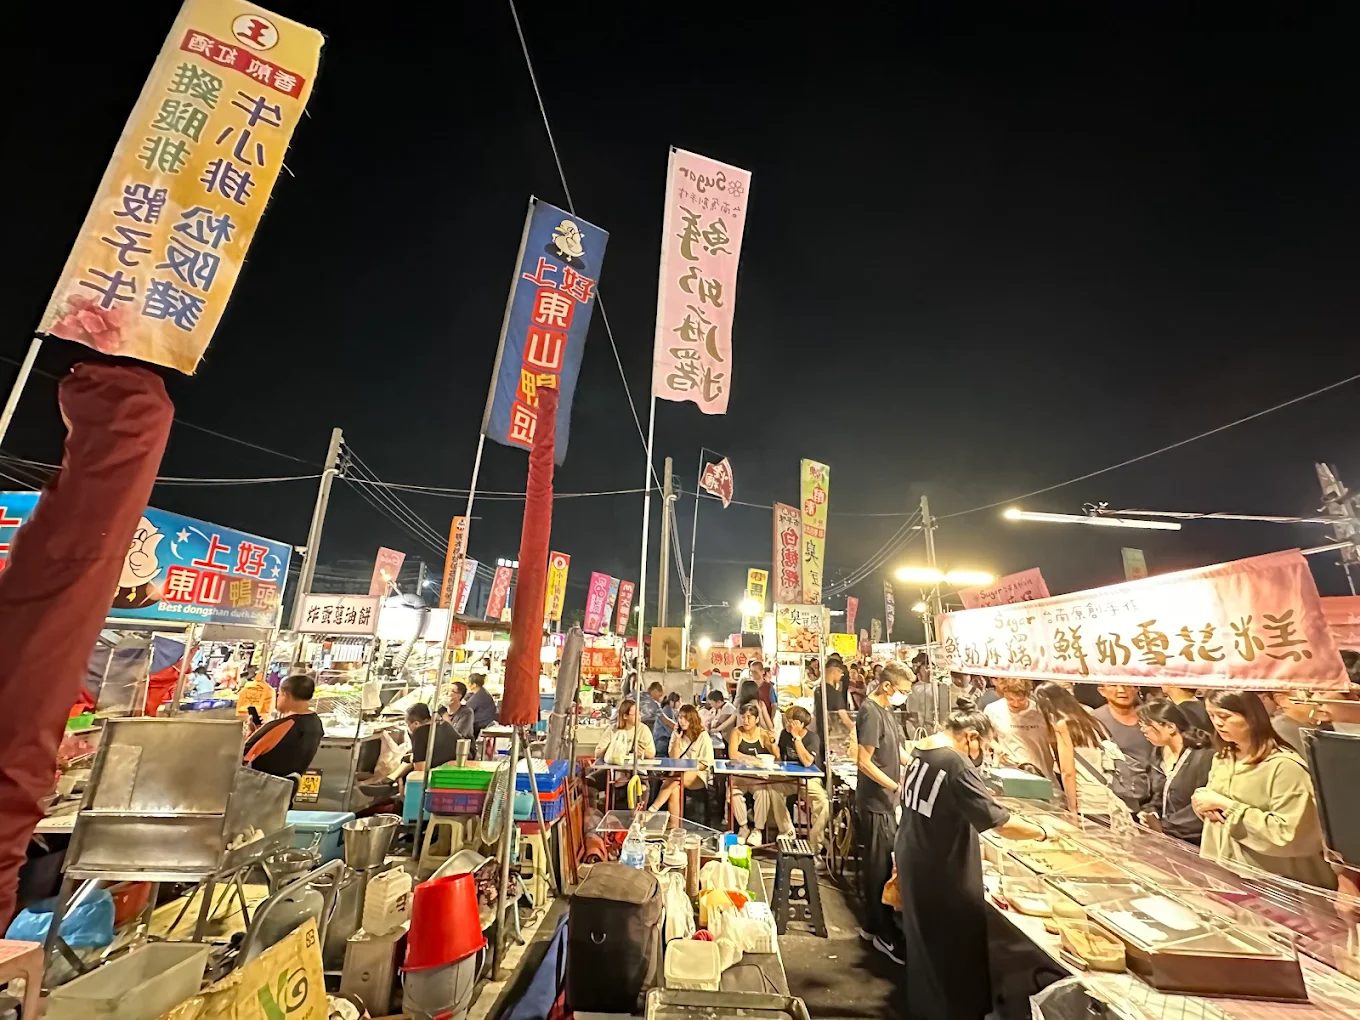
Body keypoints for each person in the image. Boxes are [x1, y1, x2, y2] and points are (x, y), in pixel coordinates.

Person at [896, 701, 1051, 1020]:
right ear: (969, 736)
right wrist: (1043, 833)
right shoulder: (953, 762)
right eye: (983, 744)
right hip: (941, 869)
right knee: (950, 951)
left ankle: (925, 1009)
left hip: (915, 856)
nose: (982, 752)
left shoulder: (922, 750)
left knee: (925, 947)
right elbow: (1000, 822)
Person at [1192, 689, 1335, 888]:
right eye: (1212, 715)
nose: (1217, 723)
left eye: (1225, 716)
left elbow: (1291, 833)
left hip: (1277, 881)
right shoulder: (1224, 757)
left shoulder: (1284, 766)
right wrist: (1203, 803)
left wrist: (1226, 806)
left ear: (1251, 717)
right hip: (1229, 872)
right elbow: (1214, 809)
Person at [854, 662, 912, 963]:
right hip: (876, 803)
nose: (905, 695)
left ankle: (873, 925)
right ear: (887, 686)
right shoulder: (870, 712)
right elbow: (863, 761)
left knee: (883, 864)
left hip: (887, 801)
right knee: (878, 868)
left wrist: (915, 764)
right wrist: (896, 786)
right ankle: (880, 933)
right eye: (903, 690)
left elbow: (896, 751)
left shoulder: (887, 711)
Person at [1033, 682, 1125, 817]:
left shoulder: (1063, 725)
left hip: (1088, 802)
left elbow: (1067, 772)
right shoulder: (1092, 721)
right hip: (1110, 798)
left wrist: (1072, 808)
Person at [1135, 699, 1214, 845]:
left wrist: (1166, 826)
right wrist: (1150, 812)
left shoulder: (1203, 756)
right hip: (1166, 837)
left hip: (1195, 841)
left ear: (1171, 727)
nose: (1143, 730)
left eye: (1147, 724)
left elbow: (1201, 805)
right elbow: (1158, 794)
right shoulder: (1158, 753)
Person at [243, 674, 324, 781]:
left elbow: (242, 755)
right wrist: (257, 731)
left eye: (279, 694)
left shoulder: (283, 725)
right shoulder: (315, 722)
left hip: (262, 790)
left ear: (286, 694)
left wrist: (250, 733)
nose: (277, 698)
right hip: (288, 790)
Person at [1093, 683, 1157, 813]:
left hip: (1156, 797)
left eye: (1128, 685)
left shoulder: (1153, 716)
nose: (1121, 690)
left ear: (1137, 687)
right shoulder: (1095, 720)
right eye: (1113, 685)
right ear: (1101, 690)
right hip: (1118, 800)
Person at [648, 703, 715, 824]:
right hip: (677, 775)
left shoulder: (702, 736)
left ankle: (653, 809)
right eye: (680, 717)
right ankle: (675, 827)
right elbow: (674, 758)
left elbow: (706, 763)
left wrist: (690, 768)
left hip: (697, 775)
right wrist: (677, 740)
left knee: (677, 776)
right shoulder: (676, 733)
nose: (682, 721)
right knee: (675, 787)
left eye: (685, 718)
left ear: (692, 720)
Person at [779, 705, 829, 851]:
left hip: (809, 779)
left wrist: (797, 739)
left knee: (823, 803)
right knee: (771, 790)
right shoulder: (783, 734)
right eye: (787, 720)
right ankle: (787, 830)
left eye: (791, 721)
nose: (787, 724)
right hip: (789, 779)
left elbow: (807, 762)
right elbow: (780, 757)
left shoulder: (813, 738)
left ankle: (815, 844)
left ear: (800, 724)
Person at [728, 703, 779, 845]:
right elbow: (733, 754)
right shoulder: (736, 732)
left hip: (757, 778)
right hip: (740, 777)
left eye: (749, 717)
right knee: (734, 791)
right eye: (743, 717)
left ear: (756, 719)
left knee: (763, 792)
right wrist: (754, 759)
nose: (745, 721)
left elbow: (777, 756)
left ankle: (758, 830)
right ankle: (743, 827)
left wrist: (773, 742)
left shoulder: (763, 734)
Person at [984, 677, 1054, 778]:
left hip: (1042, 773)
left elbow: (1055, 744)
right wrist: (996, 746)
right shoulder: (992, 710)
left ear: (1028, 695)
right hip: (1009, 773)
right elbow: (986, 736)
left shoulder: (1042, 712)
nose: (1015, 704)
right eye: (1010, 699)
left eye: (1021, 700)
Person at [813, 658, 855, 765]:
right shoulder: (835, 694)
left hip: (821, 734)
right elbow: (844, 719)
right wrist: (856, 731)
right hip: (832, 738)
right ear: (834, 671)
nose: (841, 676)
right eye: (840, 673)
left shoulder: (818, 690)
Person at [466, 673, 498, 738]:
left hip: (479, 726)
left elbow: (466, 711)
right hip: (487, 722)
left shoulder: (477, 697)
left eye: (468, 682)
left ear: (474, 685)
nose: (467, 684)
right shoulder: (483, 692)